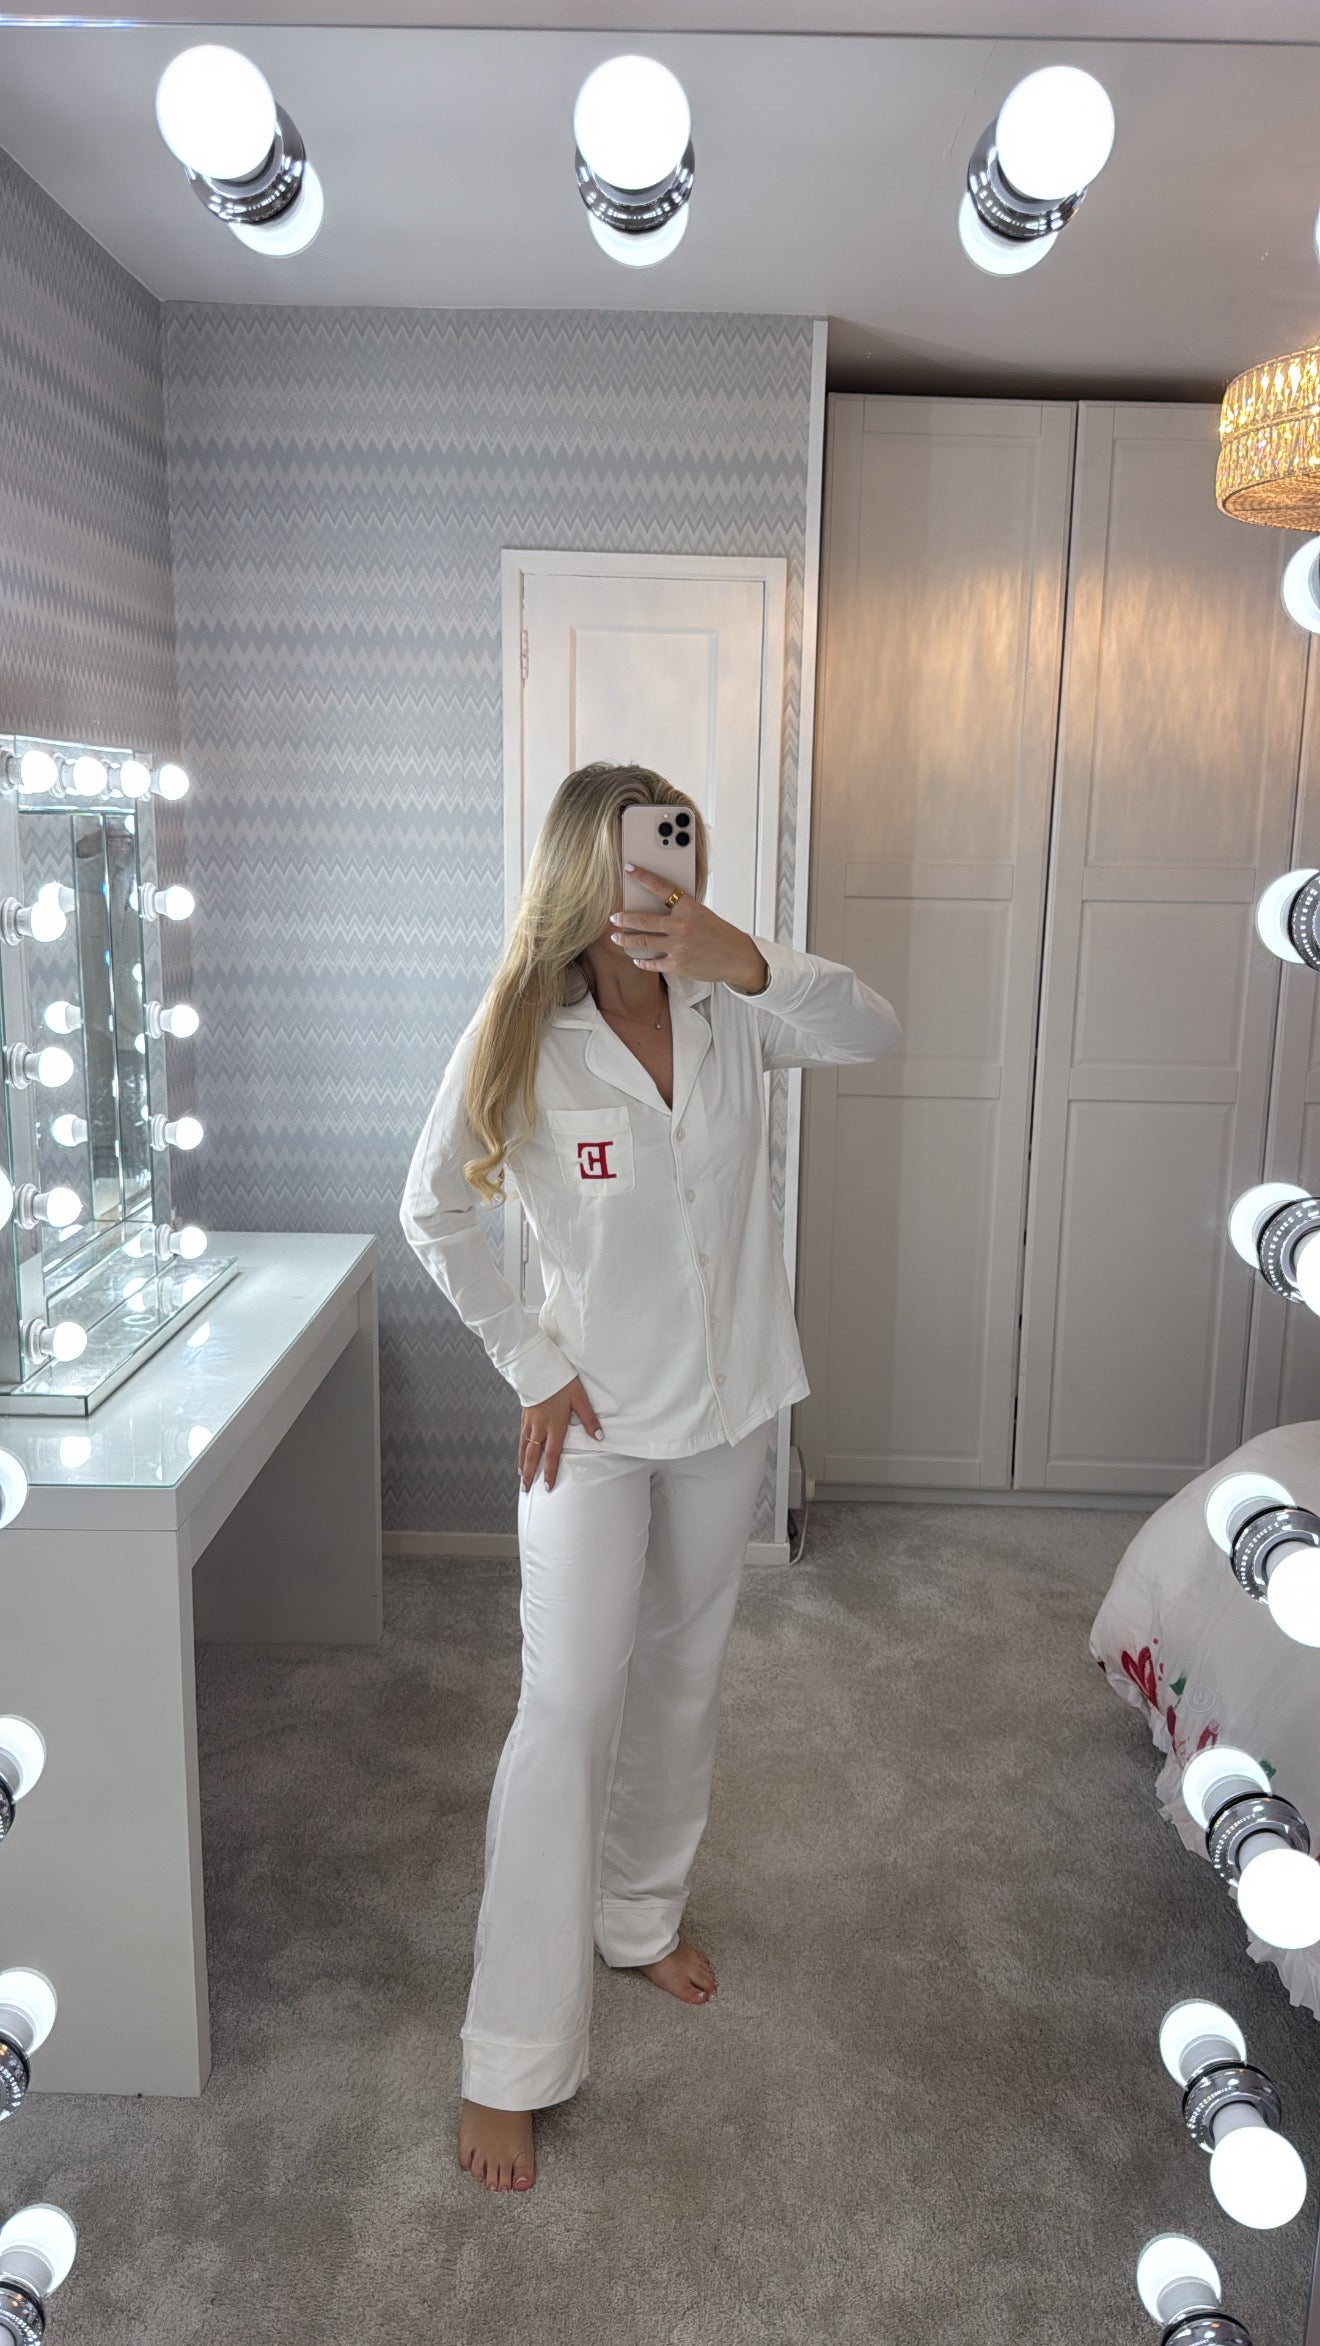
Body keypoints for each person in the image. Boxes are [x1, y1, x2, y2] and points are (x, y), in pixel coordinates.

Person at [399, 760, 900, 2193]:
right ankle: (509, 2055)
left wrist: (748, 956)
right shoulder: (520, 1028)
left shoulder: (734, 1004)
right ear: (583, 869)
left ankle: (638, 1917)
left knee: (684, 1677)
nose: (659, 876)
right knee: (565, 1708)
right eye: (635, 853)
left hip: (732, 1410)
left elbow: (871, 1027)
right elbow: (432, 1208)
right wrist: (528, 1360)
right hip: (594, 1427)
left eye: (678, 848)